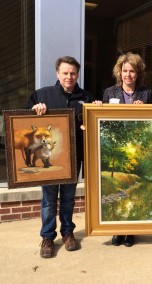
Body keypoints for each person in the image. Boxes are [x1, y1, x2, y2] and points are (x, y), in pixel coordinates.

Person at [26, 56, 101, 258]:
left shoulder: (86, 97)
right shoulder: (42, 95)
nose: (69, 77)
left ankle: (67, 233)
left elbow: (91, 125)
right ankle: (47, 237)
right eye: (65, 73)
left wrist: (97, 111)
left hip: (73, 158)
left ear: (78, 75)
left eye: (73, 73)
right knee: (49, 201)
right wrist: (35, 111)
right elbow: (23, 121)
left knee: (68, 199)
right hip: (47, 160)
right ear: (57, 74)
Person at [103, 52, 152, 247]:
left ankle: (131, 230)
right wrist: (99, 107)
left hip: (136, 146)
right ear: (119, 72)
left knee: (131, 193)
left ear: (138, 73)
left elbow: (151, 123)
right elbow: (103, 121)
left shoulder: (146, 94)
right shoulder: (109, 92)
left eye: (132, 71)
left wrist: (145, 109)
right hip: (117, 146)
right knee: (117, 188)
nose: (128, 75)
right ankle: (117, 229)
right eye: (125, 71)